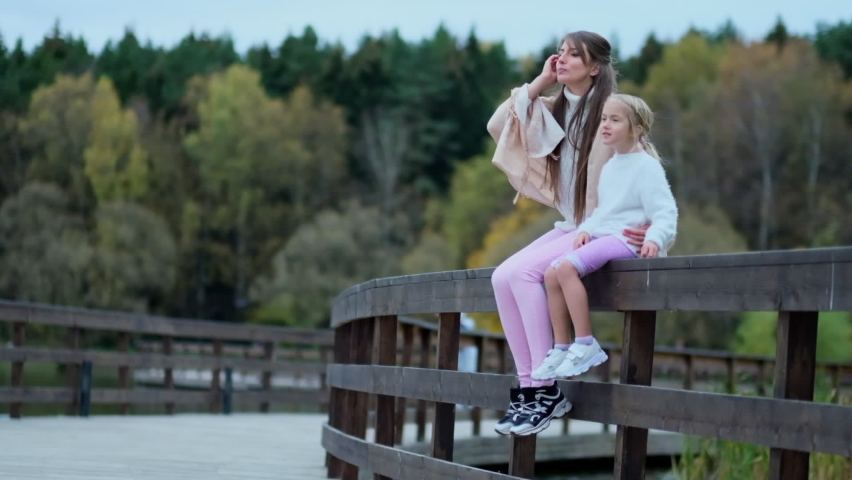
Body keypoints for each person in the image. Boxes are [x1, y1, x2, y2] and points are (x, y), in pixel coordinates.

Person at [486, 31, 656, 437]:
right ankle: (530, 388)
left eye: (572, 55)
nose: (561, 60)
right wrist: (540, 82)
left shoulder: (611, 113)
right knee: (500, 276)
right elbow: (497, 123)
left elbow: (645, 163)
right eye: (559, 53)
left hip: (602, 225)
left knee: (526, 274)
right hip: (572, 222)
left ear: (595, 67)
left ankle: (543, 390)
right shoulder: (554, 109)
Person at [531, 94, 677, 387]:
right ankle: (561, 347)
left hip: (626, 242)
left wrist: (654, 237)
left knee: (566, 267)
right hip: (606, 233)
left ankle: (585, 343)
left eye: (615, 119)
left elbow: (666, 212)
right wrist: (587, 227)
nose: (605, 125)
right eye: (603, 119)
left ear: (636, 128)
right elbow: (604, 211)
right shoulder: (612, 166)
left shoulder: (645, 166)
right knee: (550, 273)